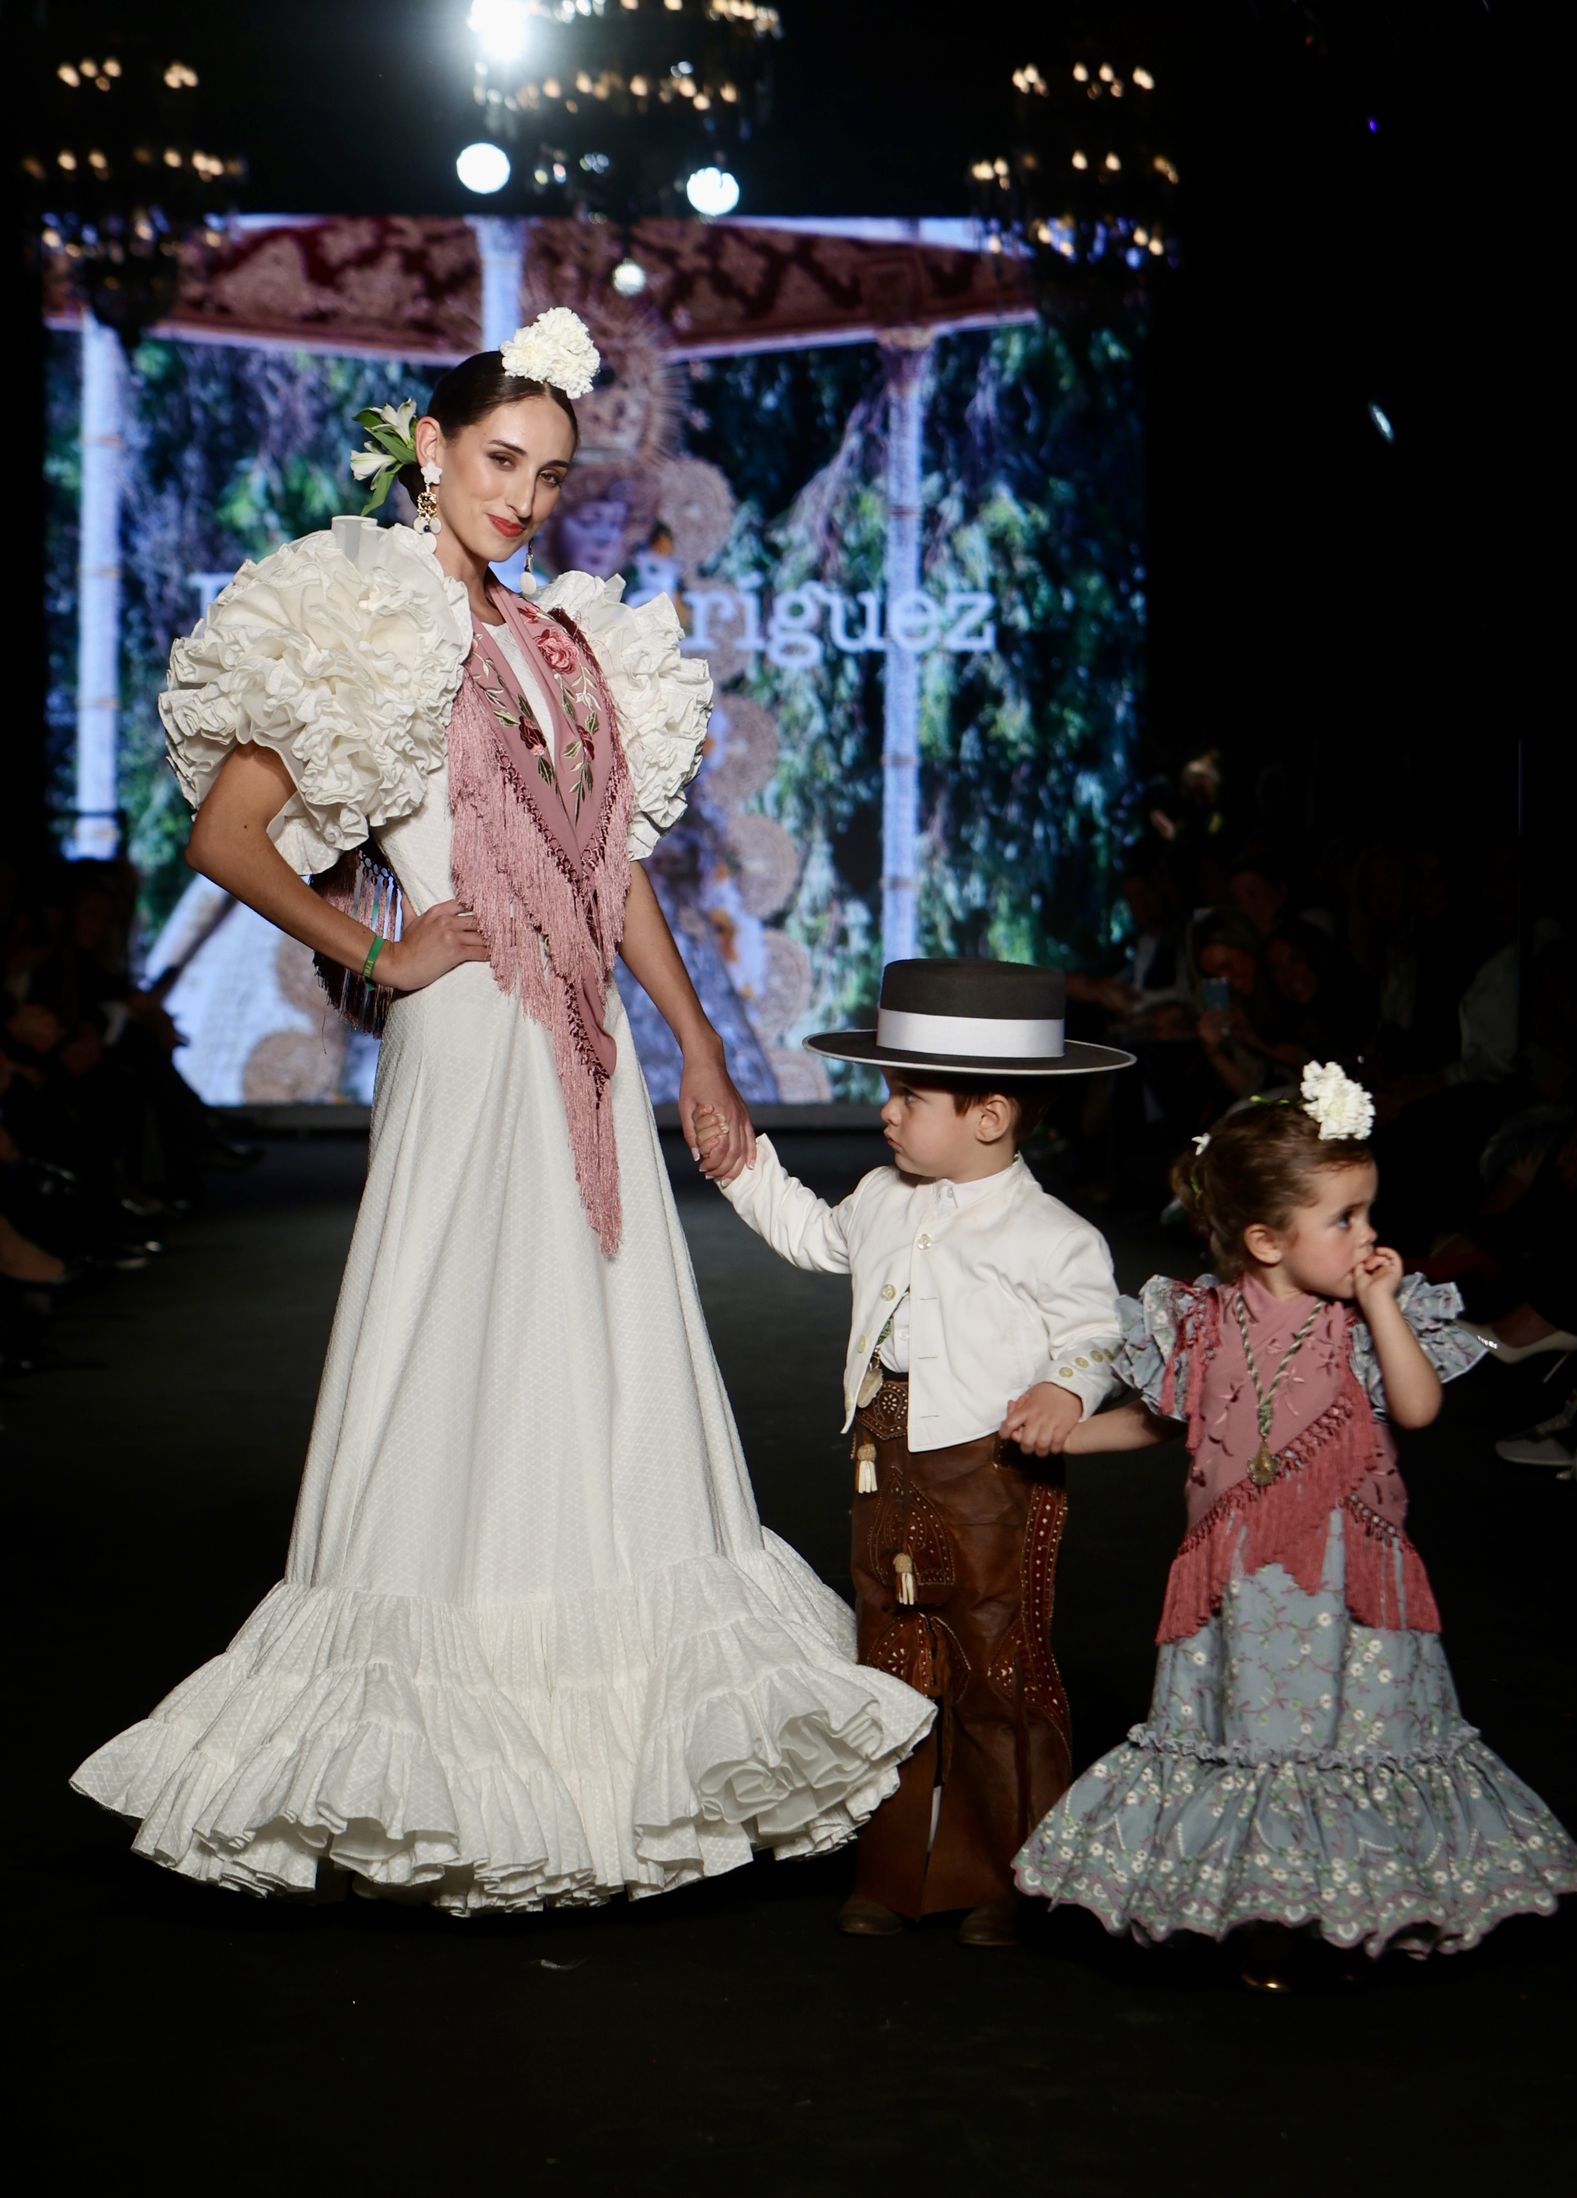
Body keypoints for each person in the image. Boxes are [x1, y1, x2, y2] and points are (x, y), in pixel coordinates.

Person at [72, 309, 932, 1910]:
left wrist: (702, 1045)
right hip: (469, 1037)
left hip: (587, 1043)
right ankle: (437, 1735)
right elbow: (229, 834)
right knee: (458, 1346)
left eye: (547, 472)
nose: (523, 496)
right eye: (497, 460)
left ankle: (601, 1743)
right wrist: (381, 951)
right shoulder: (367, 616)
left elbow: (613, 875)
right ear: (431, 451)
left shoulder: (560, 641)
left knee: (589, 1352)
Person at [1014, 1064, 1577, 1978]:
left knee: (1354, 1733)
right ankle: (1264, 1906)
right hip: (1237, 1582)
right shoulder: (1197, 1323)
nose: (1368, 1236)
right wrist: (1068, 1437)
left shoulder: (1366, 1322)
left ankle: (1368, 1898)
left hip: (1345, 1579)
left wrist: (1382, 1307)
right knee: (1250, 1732)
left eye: (1368, 1213)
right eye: (1345, 1219)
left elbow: (1418, 1408)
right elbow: (1168, 1420)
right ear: (1264, 1240)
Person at [695, 958, 1131, 1945]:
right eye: (889, 1090)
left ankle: (1019, 1873)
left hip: (988, 1469)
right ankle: (898, 1869)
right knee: (894, 1661)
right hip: (883, 1462)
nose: (887, 1112)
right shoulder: (885, 1195)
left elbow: (1093, 1329)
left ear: (990, 1115)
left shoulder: (1050, 1233)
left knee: (997, 1670)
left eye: (909, 1094)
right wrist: (742, 1169)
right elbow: (815, 1237)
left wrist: (1067, 1386)